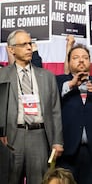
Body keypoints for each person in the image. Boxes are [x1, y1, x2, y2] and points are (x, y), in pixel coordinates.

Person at [0, 29, 63, 184]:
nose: (29, 48)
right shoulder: (2, 76)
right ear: (11, 49)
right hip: (11, 139)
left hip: (39, 137)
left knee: (40, 180)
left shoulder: (47, 76)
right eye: (23, 44)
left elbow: (55, 111)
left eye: (30, 43)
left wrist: (57, 141)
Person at [56, 42, 92, 184]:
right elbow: (50, 102)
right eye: (75, 57)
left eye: (85, 57)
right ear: (68, 62)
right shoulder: (59, 81)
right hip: (67, 150)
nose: (81, 60)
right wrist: (70, 85)